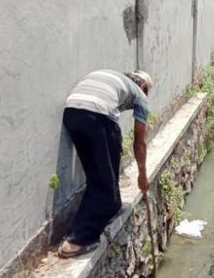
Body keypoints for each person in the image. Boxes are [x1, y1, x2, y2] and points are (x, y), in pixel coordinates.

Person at [58, 69, 153, 258]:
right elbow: (139, 141)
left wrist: (112, 144)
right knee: (104, 186)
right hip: (97, 117)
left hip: (72, 113)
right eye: (147, 90)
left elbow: (110, 130)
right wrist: (142, 175)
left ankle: (114, 206)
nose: (145, 95)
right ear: (142, 86)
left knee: (102, 177)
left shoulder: (111, 77)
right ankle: (78, 240)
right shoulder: (140, 94)